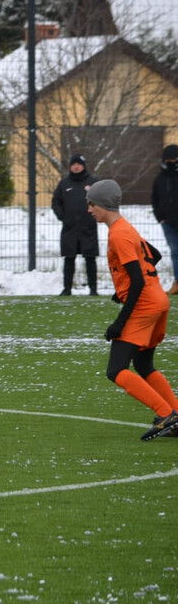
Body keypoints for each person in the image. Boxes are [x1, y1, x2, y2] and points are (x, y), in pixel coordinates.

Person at [87, 179, 178, 440]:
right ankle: (177, 414)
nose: (89, 210)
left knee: (116, 370)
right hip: (158, 300)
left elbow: (137, 280)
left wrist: (119, 322)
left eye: (92, 204)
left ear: (103, 204)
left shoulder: (118, 233)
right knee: (143, 363)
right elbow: (155, 255)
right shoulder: (126, 227)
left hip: (145, 305)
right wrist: (123, 289)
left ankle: (166, 414)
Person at [52, 153, 99, 296]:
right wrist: (63, 216)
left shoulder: (93, 182)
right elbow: (56, 202)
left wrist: (95, 215)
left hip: (88, 227)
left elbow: (102, 199)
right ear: (70, 166)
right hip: (70, 228)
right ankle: (67, 289)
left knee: (90, 258)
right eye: (73, 164)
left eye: (79, 164)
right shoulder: (64, 184)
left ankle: (93, 289)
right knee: (69, 257)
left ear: (84, 166)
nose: (76, 166)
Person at [151, 144, 178, 295]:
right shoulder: (159, 179)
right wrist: (160, 217)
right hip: (167, 222)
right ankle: (177, 282)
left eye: (173, 159)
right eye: (168, 159)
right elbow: (154, 199)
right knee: (175, 252)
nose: (170, 162)